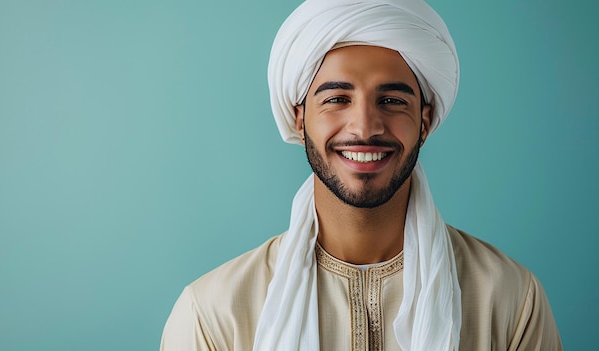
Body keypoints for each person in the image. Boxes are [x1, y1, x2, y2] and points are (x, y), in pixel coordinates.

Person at [160, 0, 562, 350]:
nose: (365, 126)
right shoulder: (214, 313)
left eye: (391, 100)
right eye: (337, 99)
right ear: (300, 119)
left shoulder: (510, 300)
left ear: (425, 120)